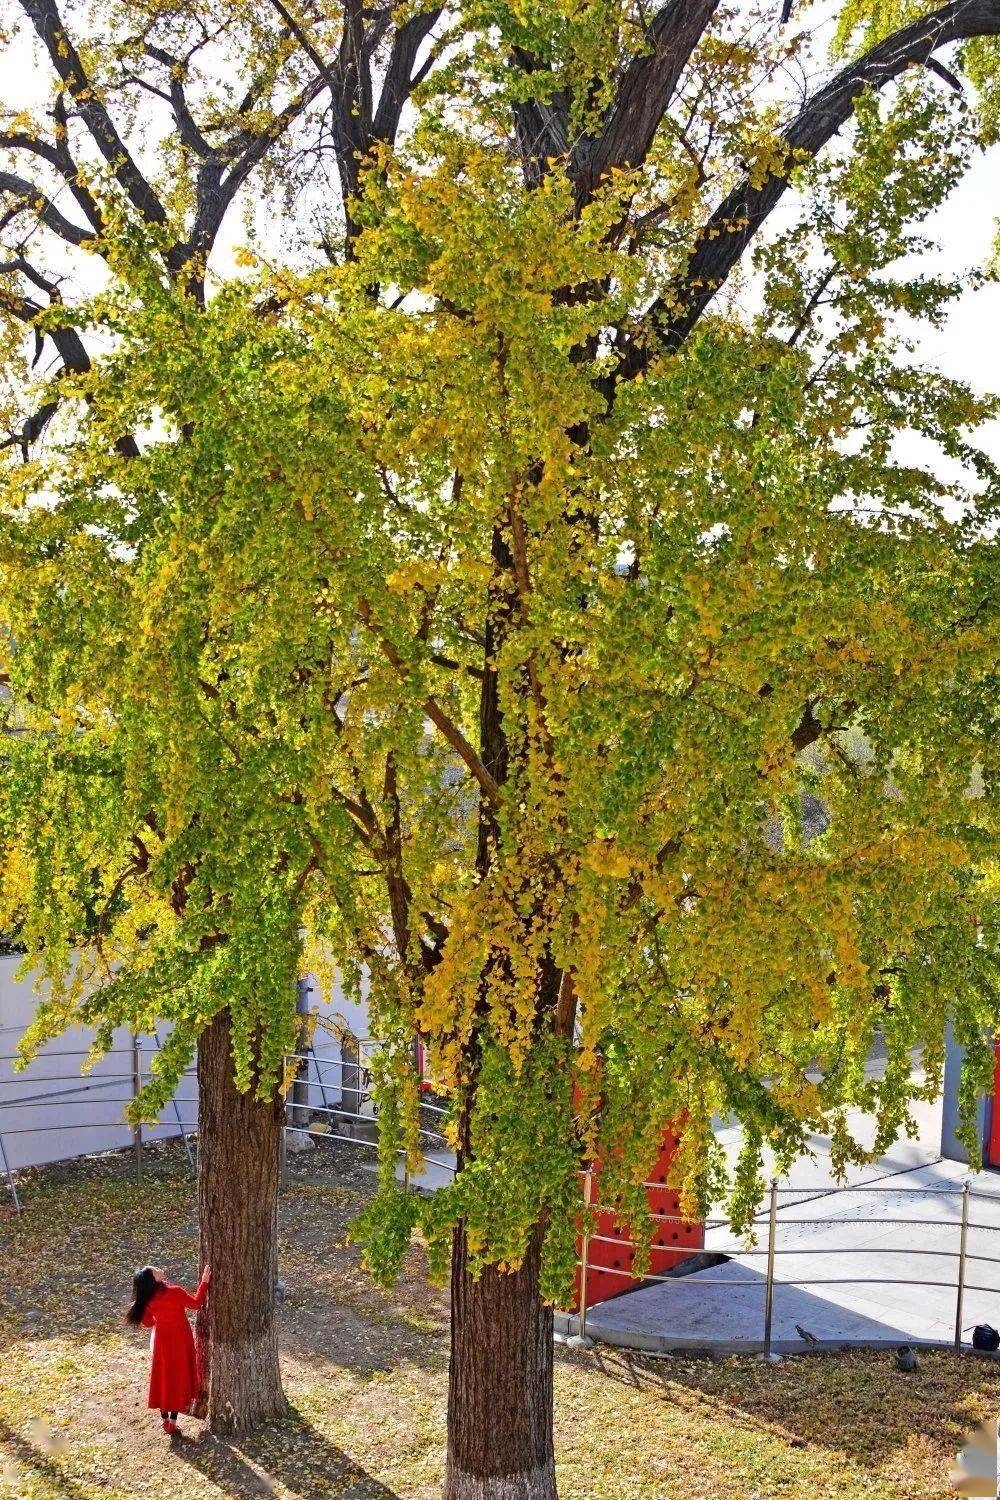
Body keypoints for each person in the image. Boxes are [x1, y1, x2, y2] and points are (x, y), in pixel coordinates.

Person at [125, 1263, 211, 1435]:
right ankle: (172, 1421)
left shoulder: (148, 1300)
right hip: (181, 1340)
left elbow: (148, 1322)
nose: (158, 1268)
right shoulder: (175, 1292)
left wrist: (162, 1320)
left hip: (162, 1342)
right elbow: (196, 1303)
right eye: (154, 1270)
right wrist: (204, 1282)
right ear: (153, 1279)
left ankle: (165, 1421)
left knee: (164, 1375)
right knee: (178, 1377)